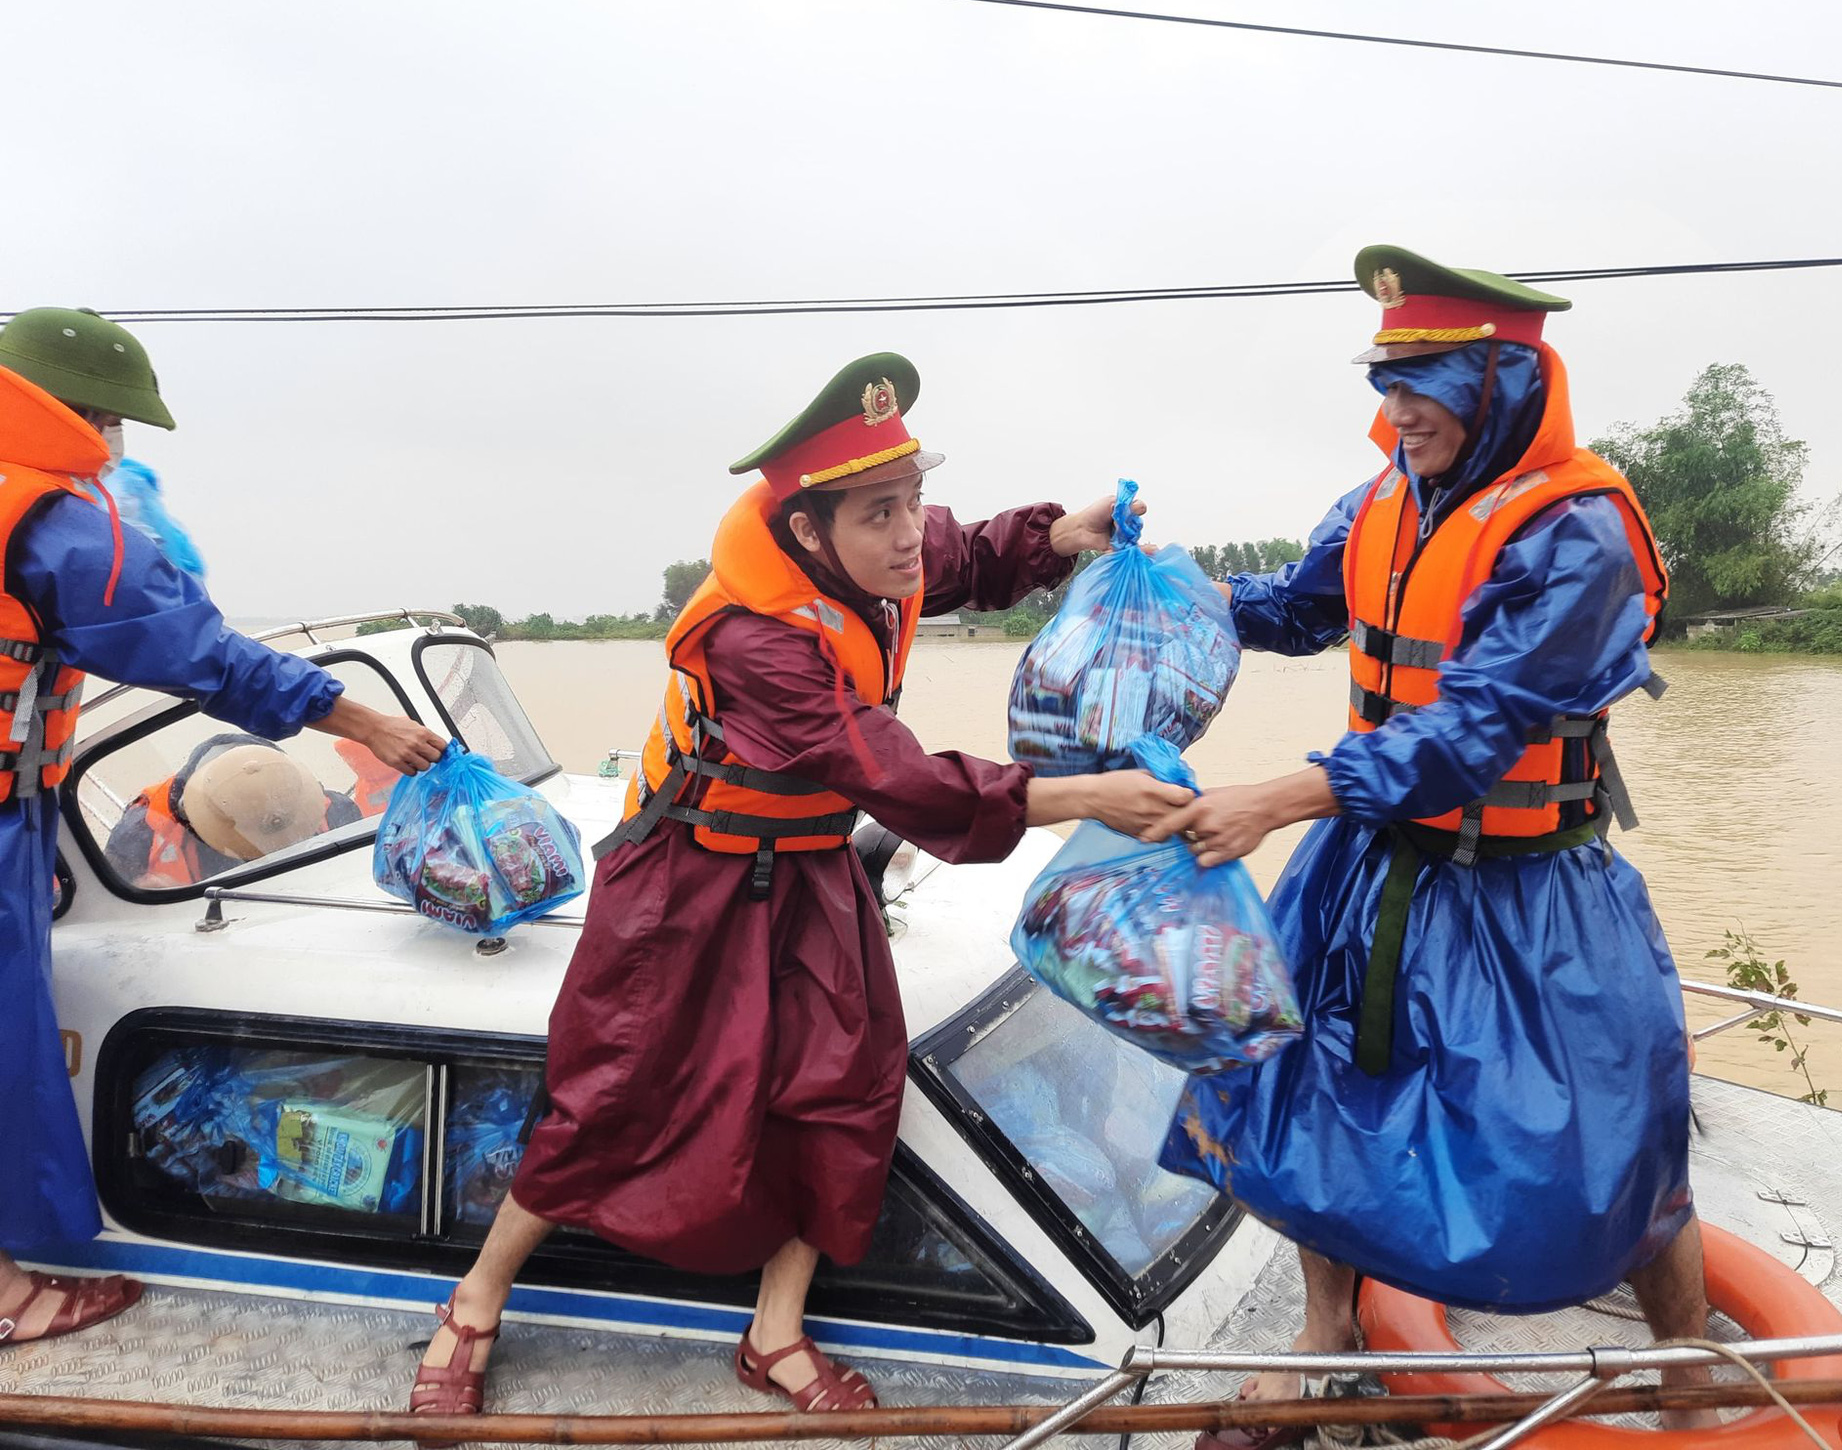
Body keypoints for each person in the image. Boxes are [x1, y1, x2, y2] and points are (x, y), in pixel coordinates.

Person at [408, 352, 1194, 1420]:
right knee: (607, 1088)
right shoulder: (752, 640)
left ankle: (773, 1330)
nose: (910, 531)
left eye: (913, 500)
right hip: (687, 876)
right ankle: (474, 1302)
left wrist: (1065, 533)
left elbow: (968, 553)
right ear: (807, 533)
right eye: (880, 513)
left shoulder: (885, 557)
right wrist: (1082, 795)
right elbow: (891, 772)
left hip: (811, 868)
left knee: (844, 1091)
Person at [1147, 248, 1714, 1441]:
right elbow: (1289, 609)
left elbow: (1471, 733)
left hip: (1531, 892)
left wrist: (1277, 796)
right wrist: (1144, 578)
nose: (1393, 410)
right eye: (1384, 379)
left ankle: (1686, 1365)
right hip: (1367, 866)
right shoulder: (1374, 505)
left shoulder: (1579, 537)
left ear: (1507, 380)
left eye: (1426, 381)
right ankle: (1324, 1340)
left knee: (1625, 1124)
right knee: (1301, 1100)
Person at [0, 307, 446, 1346]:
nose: (112, 447)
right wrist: (362, 715)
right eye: (109, 422)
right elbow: (200, 650)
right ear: (76, 414)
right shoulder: (53, 525)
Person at [104, 734, 363, 888]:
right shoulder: (142, 830)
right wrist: (141, 890)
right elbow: (100, 905)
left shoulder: (335, 809)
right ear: (190, 815)